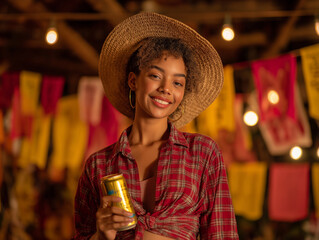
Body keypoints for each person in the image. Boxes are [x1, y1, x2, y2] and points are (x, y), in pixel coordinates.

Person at [72, 12, 239, 240]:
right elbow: (81, 235)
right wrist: (101, 235)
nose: (166, 88)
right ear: (133, 80)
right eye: (155, 75)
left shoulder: (202, 153)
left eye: (177, 82)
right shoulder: (98, 166)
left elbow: (223, 235)